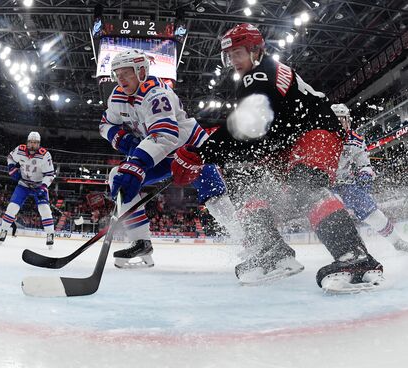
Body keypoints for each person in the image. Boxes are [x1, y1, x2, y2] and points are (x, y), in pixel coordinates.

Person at [171, 23, 383, 291]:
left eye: (238, 53)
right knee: (250, 188)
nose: (233, 61)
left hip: (314, 132)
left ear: (256, 50)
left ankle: (357, 258)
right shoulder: (256, 78)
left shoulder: (260, 75)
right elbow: (255, 136)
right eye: (229, 56)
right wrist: (209, 153)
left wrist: (200, 153)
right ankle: (273, 252)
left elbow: (245, 129)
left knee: (305, 186)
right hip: (286, 142)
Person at [100, 49, 244, 269]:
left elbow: (165, 134)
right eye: (117, 73)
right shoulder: (116, 97)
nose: (120, 79)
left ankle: (249, 243)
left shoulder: (157, 94)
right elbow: (105, 124)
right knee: (116, 177)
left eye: (126, 73)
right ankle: (141, 242)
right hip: (159, 156)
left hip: (192, 151)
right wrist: (121, 139)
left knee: (216, 199)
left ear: (141, 71)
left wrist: (137, 163)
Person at [331, 103, 408, 251]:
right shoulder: (320, 137)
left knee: (370, 210)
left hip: (346, 184)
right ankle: (346, 250)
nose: (341, 124)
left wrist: (365, 174)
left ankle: (397, 242)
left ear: (349, 120)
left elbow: (363, 162)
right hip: (326, 184)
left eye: (343, 119)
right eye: (337, 120)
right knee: (334, 214)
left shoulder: (356, 140)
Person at [0, 132, 55, 248]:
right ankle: (3, 230)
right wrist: (12, 169)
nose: (32, 145)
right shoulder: (19, 149)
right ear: (27, 142)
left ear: (39, 144)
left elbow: (50, 174)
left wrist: (43, 187)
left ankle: (50, 234)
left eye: (35, 143)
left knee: (44, 210)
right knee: (12, 207)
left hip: (38, 185)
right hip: (23, 184)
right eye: (30, 142)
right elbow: (10, 158)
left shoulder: (45, 155)